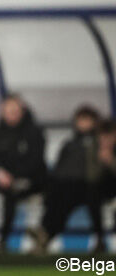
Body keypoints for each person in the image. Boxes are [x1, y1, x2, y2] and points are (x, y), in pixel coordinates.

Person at [0, 94, 46, 252]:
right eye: (8, 110)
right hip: (3, 180)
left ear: (22, 110)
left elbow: (36, 161)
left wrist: (15, 177)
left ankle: (6, 240)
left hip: (28, 180)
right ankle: (3, 241)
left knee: (13, 192)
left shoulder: (34, 132)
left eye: (15, 110)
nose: (11, 114)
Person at [30, 106, 107, 254]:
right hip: (65, 185)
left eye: (87, 120)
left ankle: (46, 234)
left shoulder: (99, 142)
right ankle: (45, 234)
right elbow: (59, 167)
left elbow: (97, 170)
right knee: (56, 198)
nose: (83, 124)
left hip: (89, 185)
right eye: (80, 120)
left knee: (64, 200)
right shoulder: (69, 143)